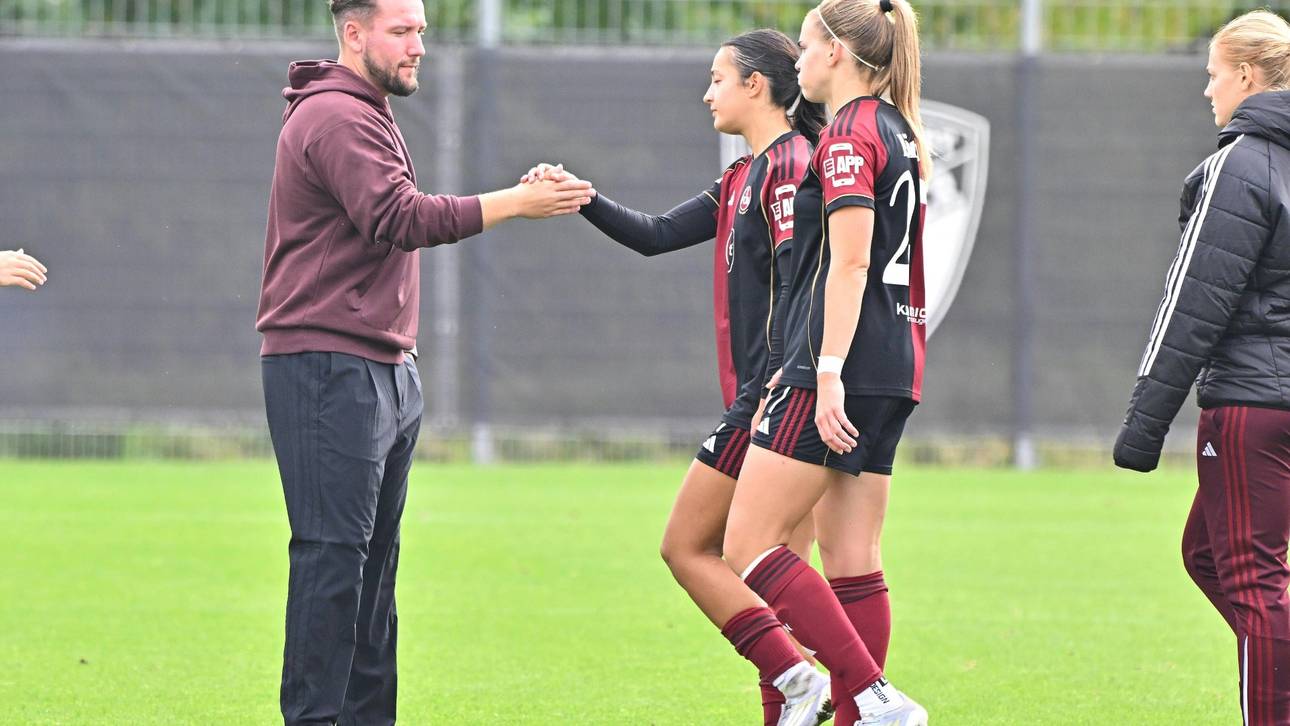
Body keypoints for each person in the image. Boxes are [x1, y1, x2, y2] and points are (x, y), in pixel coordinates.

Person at [254, 0, 594, 721]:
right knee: (332, 560)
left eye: (422, 32)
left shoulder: (365, 110)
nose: (418, 46)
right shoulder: (335, 116)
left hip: (382, 366)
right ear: (354, 34)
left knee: (373, 573)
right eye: (402, 31)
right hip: (327, 364)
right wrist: (517, 202)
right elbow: (399, 217)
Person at [525, 28, 833, 726]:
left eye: (718, 79)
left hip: (772, 399)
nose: (707, 93)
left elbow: (805, 286)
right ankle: (812, 690)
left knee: (687, 548)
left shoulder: (791, 165)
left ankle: (826, 682)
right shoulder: (745, 173)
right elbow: (656, 234)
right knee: (772, 580)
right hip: (775, 397)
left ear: (755, 85)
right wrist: (581, 195)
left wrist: (781, 386)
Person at [717, 1, 931, 724]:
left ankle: (872, 696)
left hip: (836, 367)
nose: (799, 60)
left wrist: (828, 368)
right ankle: (862, 712)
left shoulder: (847, 133)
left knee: (748, 543)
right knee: (851, 556)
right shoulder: (897, 128)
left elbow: (851, 262)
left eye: (806, 46)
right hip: (896, 362)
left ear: (836, 52)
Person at [1114, 10, 1290, 724]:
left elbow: (1191, 304)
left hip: (1253, 407)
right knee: (1208, 554)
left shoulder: (1238, 165)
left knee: (1253, 581)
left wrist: (1142, 428)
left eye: (1213, 74)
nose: (1207, 89)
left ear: (1246, 75)